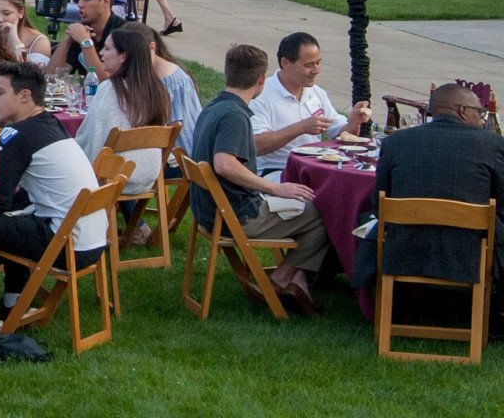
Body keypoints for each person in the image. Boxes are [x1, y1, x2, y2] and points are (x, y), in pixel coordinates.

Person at [0, 62, 106, 352]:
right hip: (92, 243)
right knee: (13, 222)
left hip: (65, 245)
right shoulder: (52, 123)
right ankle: (12, 306)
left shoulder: (14, 135)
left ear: (24, 96)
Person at [191, 43, 337, 312]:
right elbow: (224, 164)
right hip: (237, 216)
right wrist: (273, 188)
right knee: (325, 210)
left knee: (309, 203)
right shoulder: (235, 116)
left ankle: (295, 278)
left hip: (210, 211)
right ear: (261, 80)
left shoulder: (214, 107)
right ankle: (285, 276)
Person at [369, 83, 504, 292]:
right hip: (470, 252)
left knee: (364, 222)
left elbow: (379, 204)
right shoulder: (491, 144)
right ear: (463, 111)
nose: (482, 119)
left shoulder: (395, 142)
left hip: (404, 248)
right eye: (480, 112)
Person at [250, 30, 371, 176]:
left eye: (318, 63)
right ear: (285, 63)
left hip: (314, 169)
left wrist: (353, 122)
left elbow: (342, 134)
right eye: (308, 65)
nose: (316, 70)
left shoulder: (316, 92)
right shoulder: (262, 95)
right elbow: (256, 146)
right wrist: (301, 128)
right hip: (276, 171)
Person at [74, 26, 173, 197]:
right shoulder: (157, 89)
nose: (101, 53)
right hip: (145, 176)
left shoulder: (111, 89)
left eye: (107, 48)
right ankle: (134, 220)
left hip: (111, 177)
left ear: (123, 56)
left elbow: (93, 139)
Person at [46, 0, 128, 78]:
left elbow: (106, 82)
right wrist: (67, 40)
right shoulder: (81, 31)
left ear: (105, 1)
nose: (80, 4)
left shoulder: (125, 32)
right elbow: (51, 77)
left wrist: (85, 42)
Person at [0, 0, 53, 66]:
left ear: (21, 13)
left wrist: (16, 41)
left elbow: (33, 75)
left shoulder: (38, 41)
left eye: (6, 13)